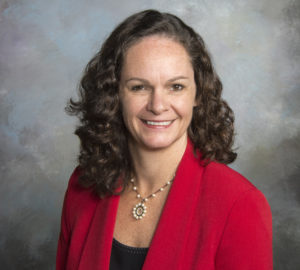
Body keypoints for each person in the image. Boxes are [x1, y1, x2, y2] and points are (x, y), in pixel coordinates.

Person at [56, 9, 273, 270]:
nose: (158, 106)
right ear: (114, 95)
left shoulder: (239, 205)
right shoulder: (83, 186)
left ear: (197, 95)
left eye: (176, 87)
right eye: (139, 87)